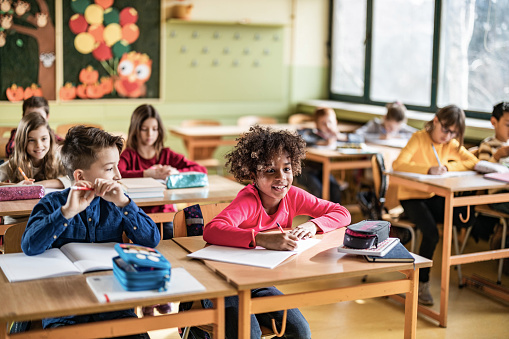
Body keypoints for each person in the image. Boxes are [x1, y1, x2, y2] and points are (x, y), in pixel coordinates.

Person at [202, 125, 351, 338]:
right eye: (270, 170)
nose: (281, 177)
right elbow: (212, 230)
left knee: (300, 331)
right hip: (224, 284)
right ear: (253, 174)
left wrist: (313, 224)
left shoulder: (293, 196)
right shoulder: (248, 201)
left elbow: (341, 212)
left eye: (287, 169)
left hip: (258, 283)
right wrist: (263, 239)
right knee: (249, 333)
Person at [20, 125, 160, 339]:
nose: (119, 175)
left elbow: (152, 240)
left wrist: (124, 204)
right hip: (65, 312)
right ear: (80, 175)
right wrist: (66, 213)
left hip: (115, 308)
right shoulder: (53, 203)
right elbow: (29, 246)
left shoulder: (116, 202)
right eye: (109, 168)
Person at [119, 104, 206, 316]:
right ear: (135, 129)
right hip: (139, 219)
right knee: (143, 258)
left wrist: (175, 172)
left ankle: (163, 295)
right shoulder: (129, 155)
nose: (150, 134)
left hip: (166, 216)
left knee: (168, 255)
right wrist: (146, 173)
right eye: (144, 129)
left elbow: (199, 169)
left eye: (154, 129)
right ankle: (148, 301)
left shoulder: (166, 154)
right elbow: (119, 173)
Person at [392, 104, 479, 306]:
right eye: (445, 130)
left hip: (432, 196)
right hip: (411, 196)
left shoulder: (451, 143)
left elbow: (472, 161)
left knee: (459, 217)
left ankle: (407, 244)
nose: (447, 136)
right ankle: (421, 283)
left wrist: (448, 166)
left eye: (453, 133)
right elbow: (398, 165)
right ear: (436, 121)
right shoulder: (419, 138)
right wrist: (428, 169)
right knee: (431, 233)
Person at [0, 112, 70, 189]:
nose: (39, 145)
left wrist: (42, 184)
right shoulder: (14, 163)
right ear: (22, 142)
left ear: (50, 138)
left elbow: (75, 179)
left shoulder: (57, 158)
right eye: (31, 140)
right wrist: (17, 186)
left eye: (44, 139)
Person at [297, 107, 349, 203]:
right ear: (317, 125)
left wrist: (341, 137)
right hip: (305, 171)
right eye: (323, 123)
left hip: (323, 171)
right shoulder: (311, 133)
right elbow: (301, 138)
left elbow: (358, 139)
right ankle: (315, 217)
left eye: (330, 122)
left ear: (336, 122)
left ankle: (335, 215)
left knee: (334, 188)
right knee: (318, 190)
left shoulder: (336, 136)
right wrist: (322, 142)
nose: (328, 126)